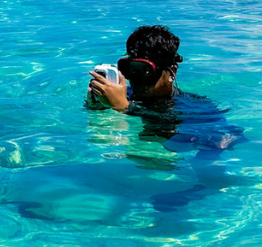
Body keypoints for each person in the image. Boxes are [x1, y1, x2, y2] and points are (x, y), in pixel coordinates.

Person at [87, 24, 243, 152]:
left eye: (144, 71)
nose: (136, 80)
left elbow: (178, 145)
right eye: (131, 70)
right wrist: (95, 106)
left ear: (172, 72)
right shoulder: (124, 94)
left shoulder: (197, 109)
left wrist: (123, 108)